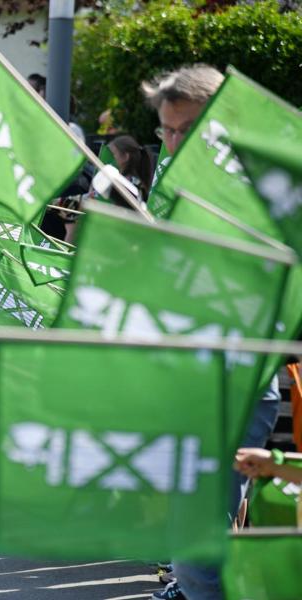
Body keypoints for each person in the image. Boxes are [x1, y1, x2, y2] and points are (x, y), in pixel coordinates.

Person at [141, 63, 280, 600]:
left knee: (196, 549)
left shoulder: (262, 193)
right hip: (180, 382)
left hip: (237, 384)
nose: (176, 142)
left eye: (188, 129)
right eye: (167, 130)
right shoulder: (177, 191)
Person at [105, 135, 154, 203]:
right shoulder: (136, 182)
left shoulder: (127, 184)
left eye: (114, 153)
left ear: (126, 156)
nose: (114, 157)